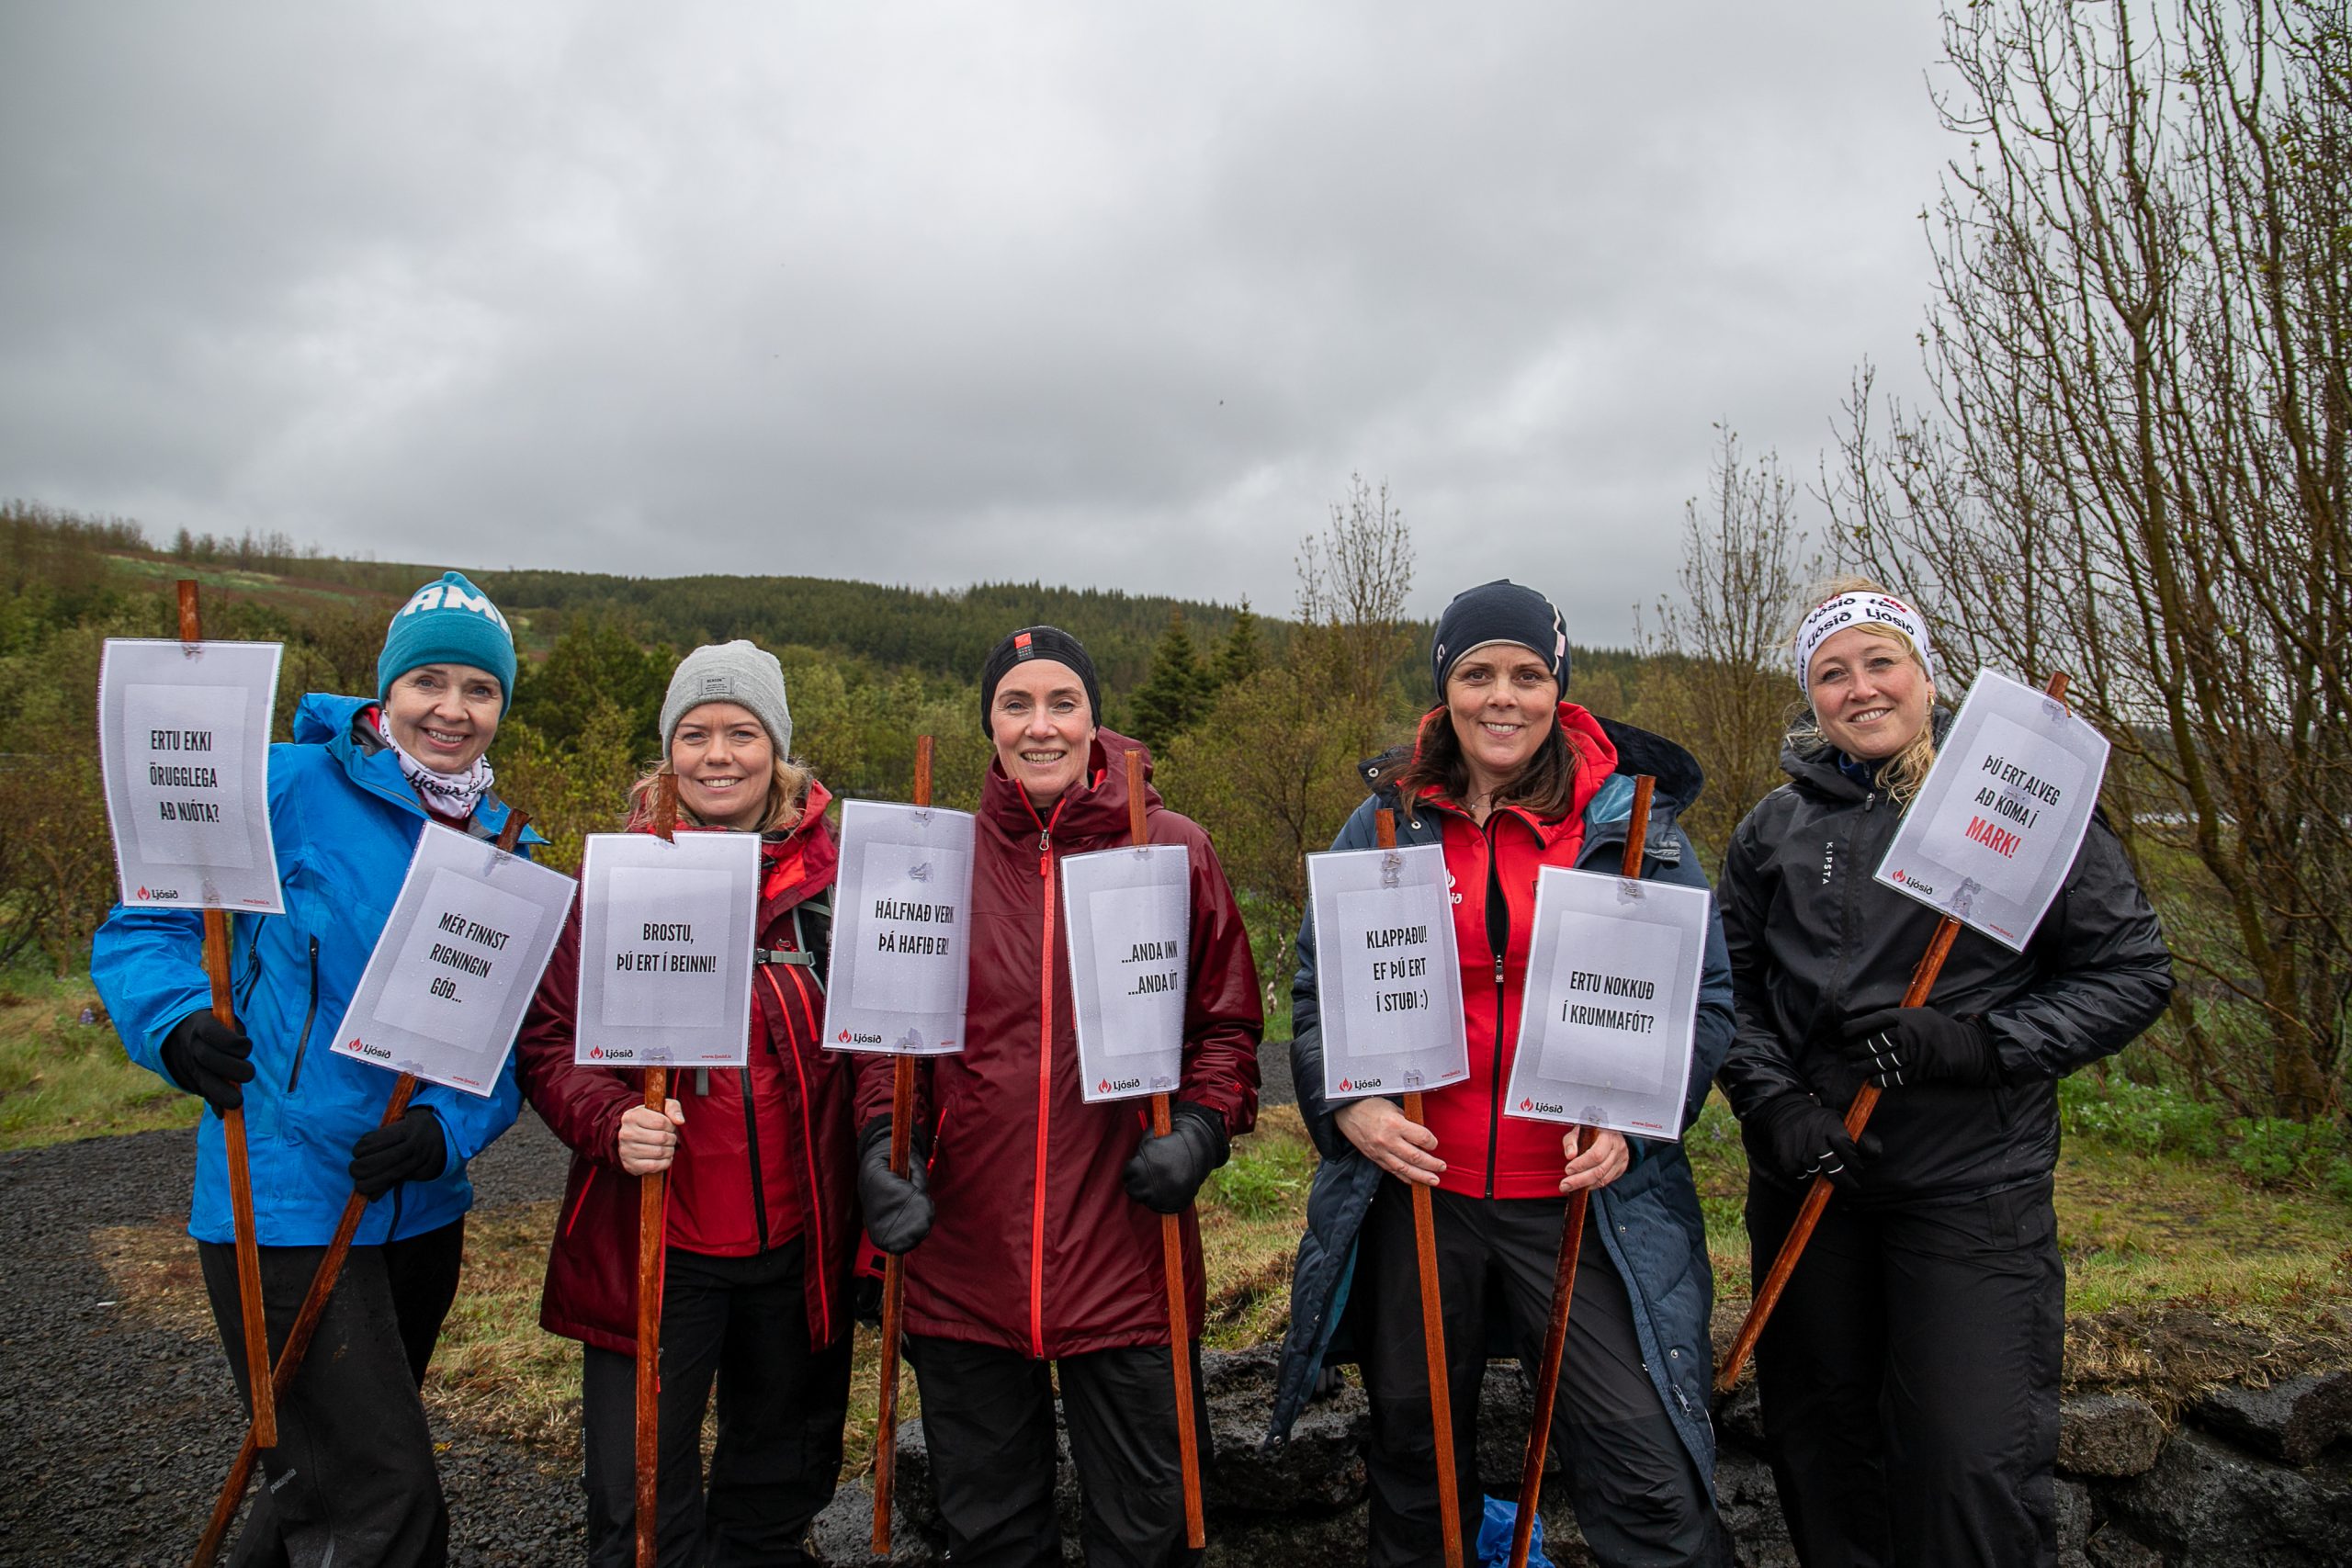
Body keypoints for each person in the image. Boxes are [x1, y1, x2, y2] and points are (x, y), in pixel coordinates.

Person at [1269, 579, 1735, 1568]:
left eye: (1527, 674)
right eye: (1477, 673)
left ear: (1560, 688)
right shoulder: (1385, 822)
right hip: (1419, 1192)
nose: (1502, 697)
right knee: (1416, 1464)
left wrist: (1635, 1121)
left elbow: (1706, 1000)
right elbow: (1318, 993)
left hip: (1580, 1202)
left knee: (1645, 1472)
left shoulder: (1631, 825)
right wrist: (1347, 1102)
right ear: (1445, 689)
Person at [1716, 578, 2172, 1567]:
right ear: (1811, 695)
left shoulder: (2017, 803)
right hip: (1813, 1193)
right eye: (1832, 672)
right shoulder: (1771, 831)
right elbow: (1731, 994)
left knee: (1968, 1467)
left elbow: (2131, 972)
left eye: (1882, 661)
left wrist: (1982, 1044)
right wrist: (1771, 1104)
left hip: (1971, 1195)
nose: (1861, 688)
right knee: (1826, 1457)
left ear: (1926, 675)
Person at [93, 570, 538, 1568]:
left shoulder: (503, 843)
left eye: (480, 689)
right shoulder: (284, 784)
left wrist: (447, 1131)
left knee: (324, 1482)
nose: (452, 709)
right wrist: (175, 1022)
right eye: (429, 681)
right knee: (385, 1499)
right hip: (284, 1199)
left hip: (419, 1214)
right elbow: (145, 927)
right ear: (387, 690)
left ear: (501, 707)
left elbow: (506, 1041)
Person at [854, 624, 1262, 1568]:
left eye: (1061, 703)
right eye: (1016, 704)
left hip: (1128, 1261)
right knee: (992, 1536)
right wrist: (882, 1146)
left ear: (1092, 719)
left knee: (1148, 1536)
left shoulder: (1171, 849)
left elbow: (1227, 1027)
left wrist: (1200, 1130)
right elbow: (886, 1044)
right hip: (965, 1261)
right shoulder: (932, 859)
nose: (1040, 726)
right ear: (989, 724)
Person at [516, 641, 855, 1568]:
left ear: (776, 750)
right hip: (659, 1245)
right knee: (641, 1507)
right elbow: (546, 1042)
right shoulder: (613, 882)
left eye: (742, 733)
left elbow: (877, 1050)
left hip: (796, 1247)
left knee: (774, 1489)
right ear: (668, 752)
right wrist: (607, 1121)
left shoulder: (833, 887)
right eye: (695, 733)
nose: (718, 755)